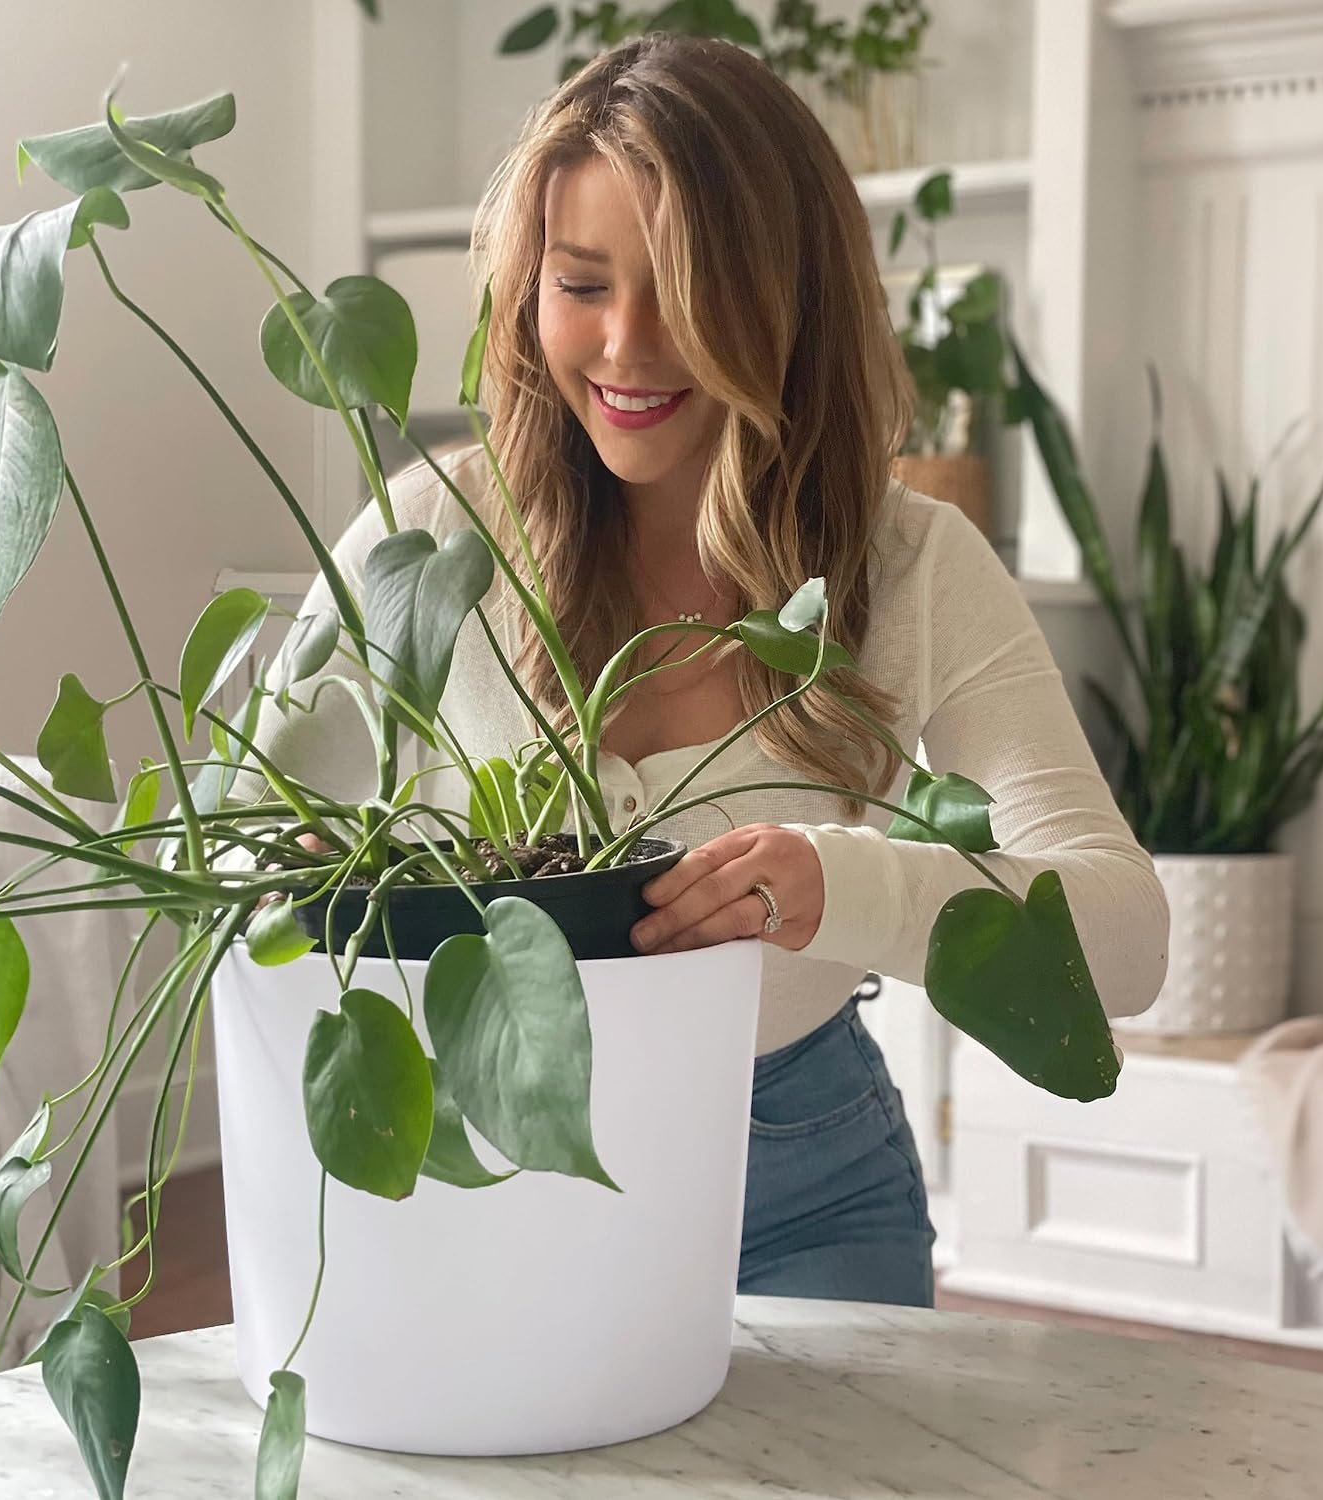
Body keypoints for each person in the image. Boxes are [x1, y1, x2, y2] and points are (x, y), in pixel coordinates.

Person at [237, 34, 1169, 1307]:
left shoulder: (913, 565)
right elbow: (237, 854)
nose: (626, 346)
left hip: (801, 1181)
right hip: (486, 1185)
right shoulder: (428, 537)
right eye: (581, 285)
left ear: (790, 298)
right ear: (526, 294)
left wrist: (836, 884)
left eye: (684, 288)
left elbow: (1123, 937)